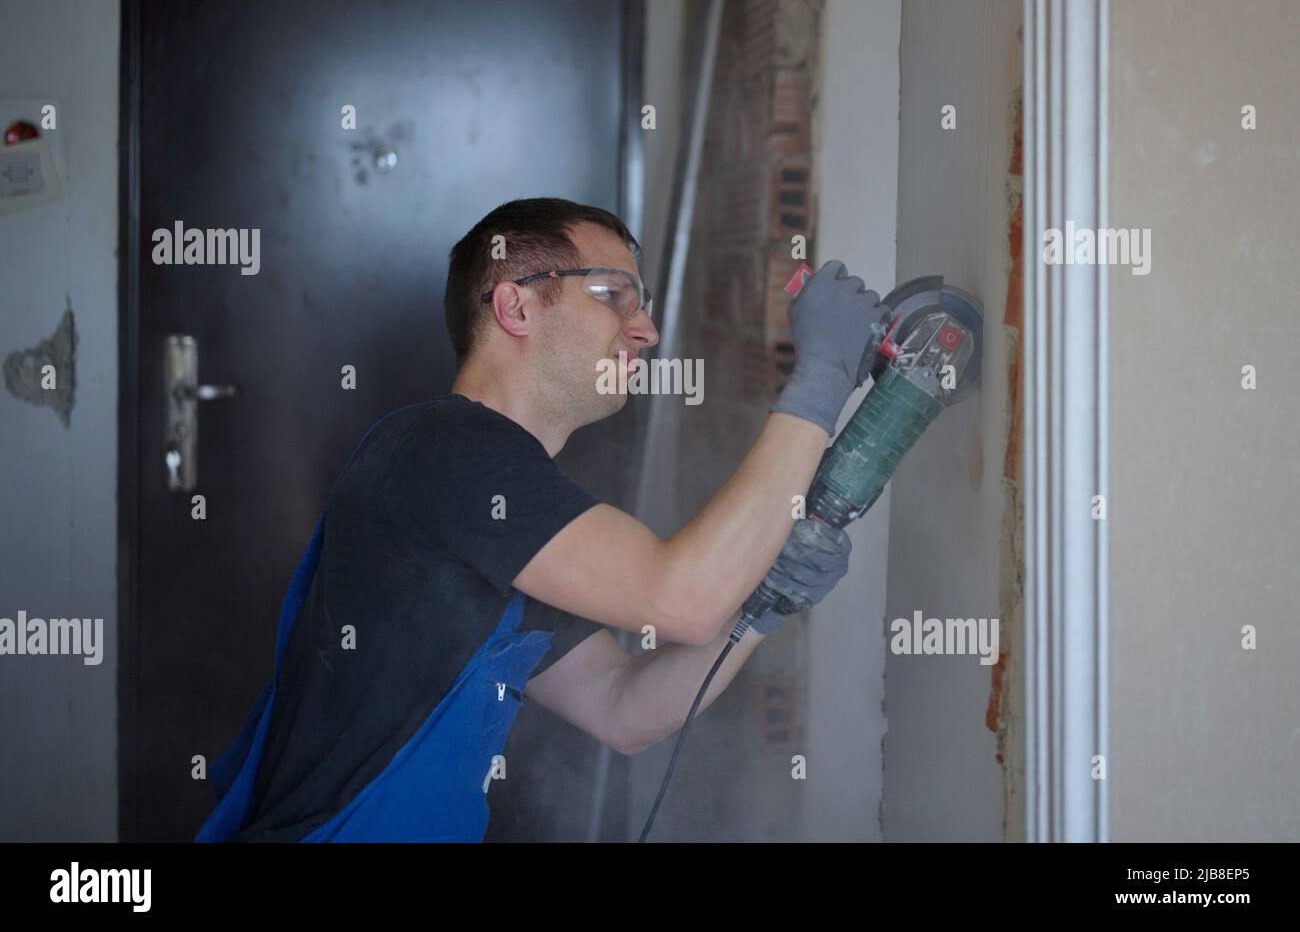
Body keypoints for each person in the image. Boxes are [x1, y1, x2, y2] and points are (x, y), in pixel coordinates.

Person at [195, 196, 884, 842]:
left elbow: (621, 707)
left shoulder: (503, 505)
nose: (643, 329)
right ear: (515, 307)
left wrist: (763, 607)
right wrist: (821, 373)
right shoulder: (445, 451)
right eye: (614, 294)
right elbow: (686, 599)